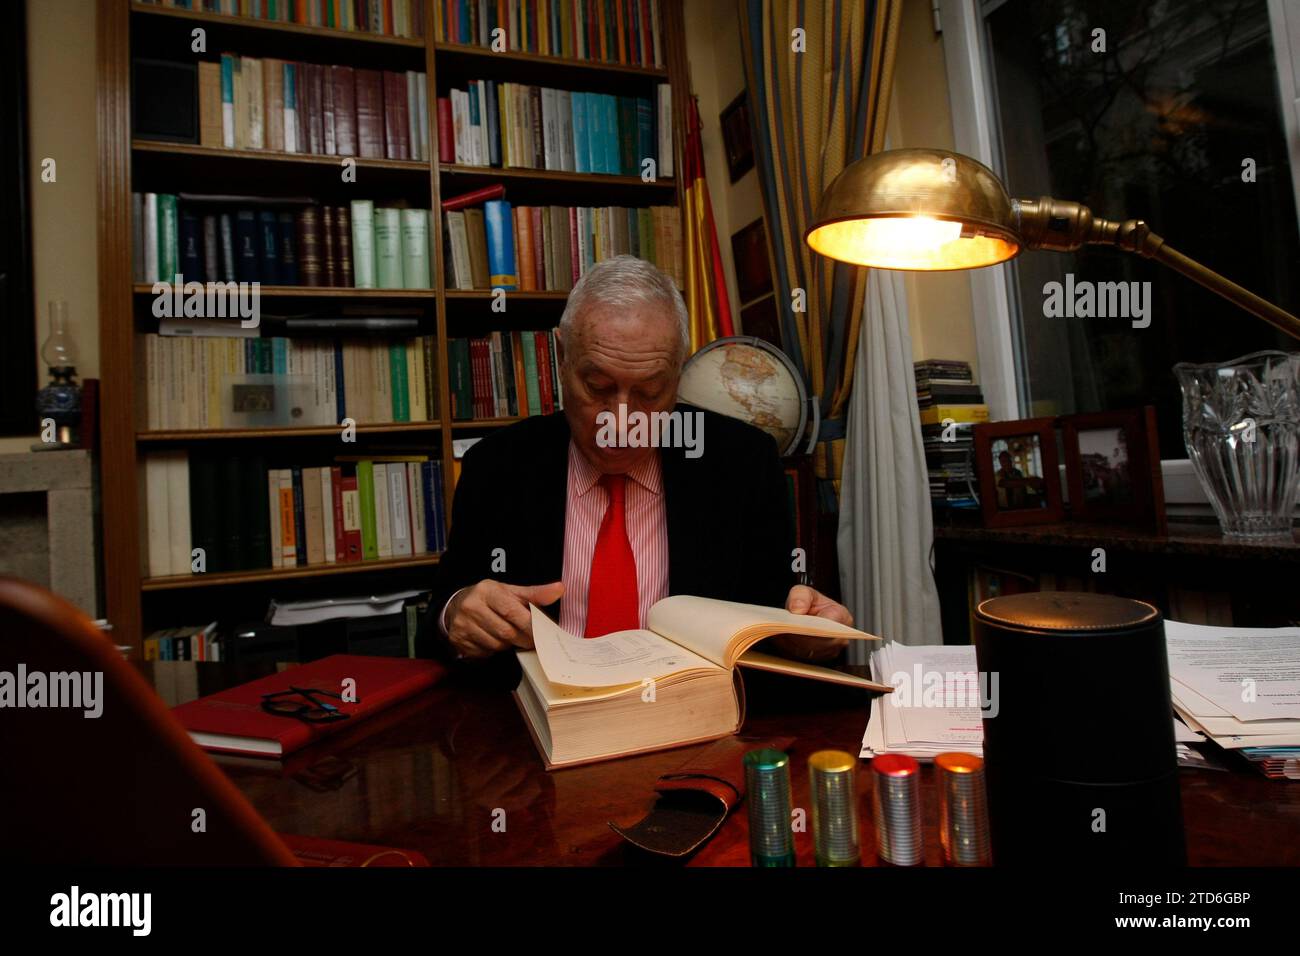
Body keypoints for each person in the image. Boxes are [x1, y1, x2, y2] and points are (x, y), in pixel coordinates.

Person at [428, 255, 851, 663]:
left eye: (650, 393)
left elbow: (775, 620)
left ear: (679, 373)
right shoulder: (496, 467)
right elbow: (442, 616)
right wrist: (458, 614)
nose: (622, 421)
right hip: (540, 725)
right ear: (561, 358)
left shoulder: (744, 464)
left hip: (693, 720)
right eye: (597, 386)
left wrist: (810, 635)